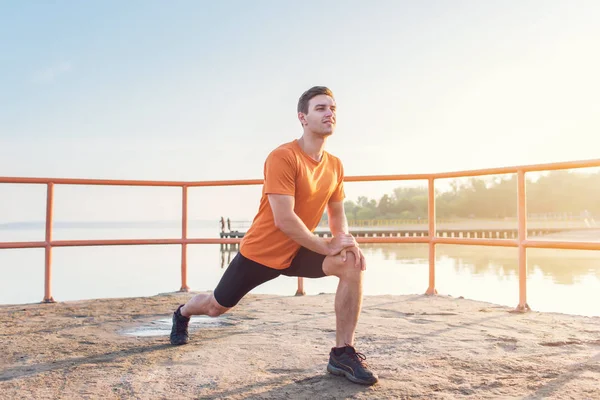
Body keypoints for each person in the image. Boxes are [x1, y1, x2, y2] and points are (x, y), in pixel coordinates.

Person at [169, 86, 378, 386]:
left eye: (333, 108)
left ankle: (342, 353)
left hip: (300, 251)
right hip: (262, 252)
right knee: (217, 306)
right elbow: (284, 219)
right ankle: (183, 312)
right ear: (302, 118)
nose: (329, 113)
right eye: (320, 108)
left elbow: (336, 213)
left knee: (351, 262)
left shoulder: (335, 165)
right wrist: (324, 244)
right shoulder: (283, 156)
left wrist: (343, 240)